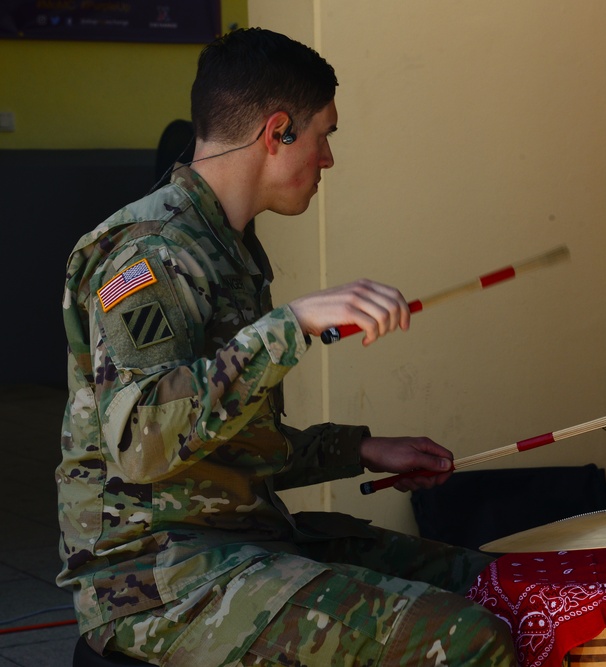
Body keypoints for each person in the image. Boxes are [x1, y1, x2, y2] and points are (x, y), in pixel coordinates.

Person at [56, 27, 515, 667]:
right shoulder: (149, 255)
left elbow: (225, 446)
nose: (328, 159)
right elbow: (141, 446)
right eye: (324, 135)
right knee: (469, 640)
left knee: (499, 586)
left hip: (239, 544)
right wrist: (290, 325)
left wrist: (358, 448)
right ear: (279, 133)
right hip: (155, 581)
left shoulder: (226, 249)